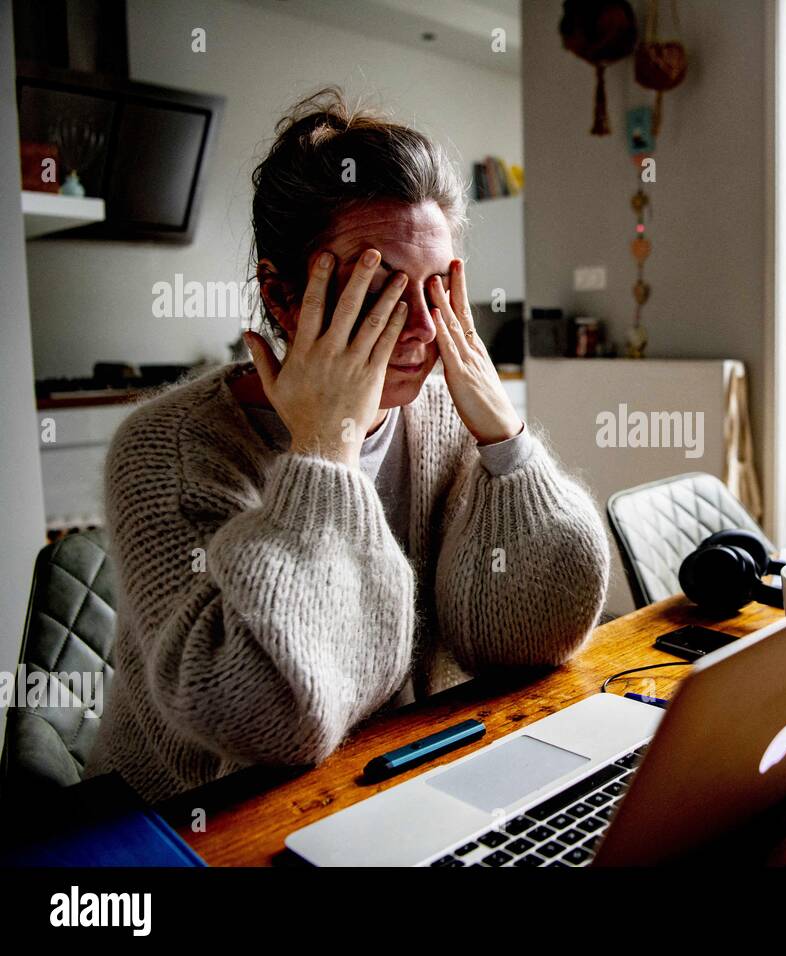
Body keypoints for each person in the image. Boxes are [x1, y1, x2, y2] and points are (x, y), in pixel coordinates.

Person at [85, 90, 610, 803]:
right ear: (280, 296)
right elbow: (268, 721)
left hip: (392, 779)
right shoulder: (167, 449)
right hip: (197, 820)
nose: (425, 326)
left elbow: (531, 635)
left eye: (438, 289)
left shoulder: (444, 414)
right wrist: (326, 447)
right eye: (380, 290)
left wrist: (506, 442)